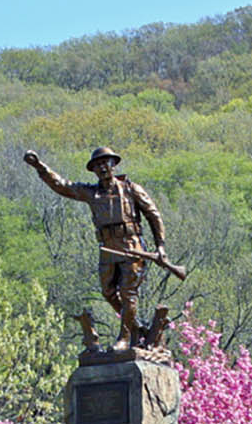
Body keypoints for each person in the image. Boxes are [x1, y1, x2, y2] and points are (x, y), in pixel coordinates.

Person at [23, 146, 175, 350]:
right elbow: (62, 185)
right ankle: (135, 326)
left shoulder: (131, 189)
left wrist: (161, 246)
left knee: (128, 292)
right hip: (108, 249)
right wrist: (39, 166)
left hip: (132, 246)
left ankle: (125, 337)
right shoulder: (92, 193)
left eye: (106, 163)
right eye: (97, 165)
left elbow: (153, 215)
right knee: (108, 291)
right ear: (93, 170)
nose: (102, 167)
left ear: (114, 164)